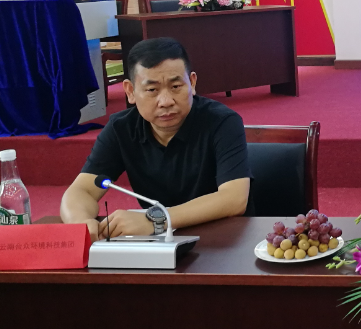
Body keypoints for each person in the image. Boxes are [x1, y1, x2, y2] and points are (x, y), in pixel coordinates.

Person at [60, 37, 251, 239]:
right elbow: (82, 191)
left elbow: (234, 199)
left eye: (176, 86)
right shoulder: (121, 128)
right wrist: (80, 222)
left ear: (192, 83)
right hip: (157, 242)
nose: (166, 101)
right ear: (130, 91)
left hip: (223, 238)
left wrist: (156, 219)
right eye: (152, 90)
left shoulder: (222, 122)